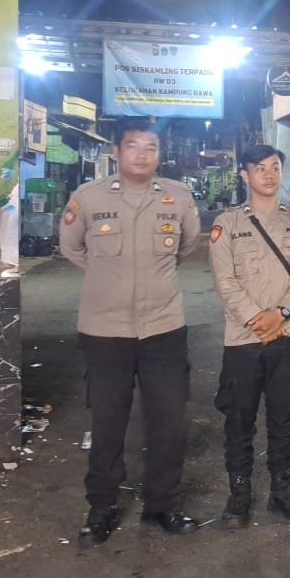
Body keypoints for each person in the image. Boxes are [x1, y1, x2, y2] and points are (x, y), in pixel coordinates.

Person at [60, 120, 202, 546]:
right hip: (105, 330)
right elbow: (72, 247)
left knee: (169, 422)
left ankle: (163, 504)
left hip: (163, 328)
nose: (142, 155)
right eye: (133, 146)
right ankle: (101, 507)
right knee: (108, 423)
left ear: (160, 154)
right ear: (117, 152)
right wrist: (109, 276)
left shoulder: (178, 197)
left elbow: (186, 247)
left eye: (151, 147)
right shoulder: (89, 197)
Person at [208, 144, 290, 528]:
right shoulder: (227, 223)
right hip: (243, 338)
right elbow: (224, 280)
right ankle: (238, 498)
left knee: (283, 418)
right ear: (245, 175)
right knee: (238, 420)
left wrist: (282, 314)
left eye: (275, 167)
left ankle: (281, 492)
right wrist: (258, 318)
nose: (269, 175)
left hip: (288, 336)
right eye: (260, 168)